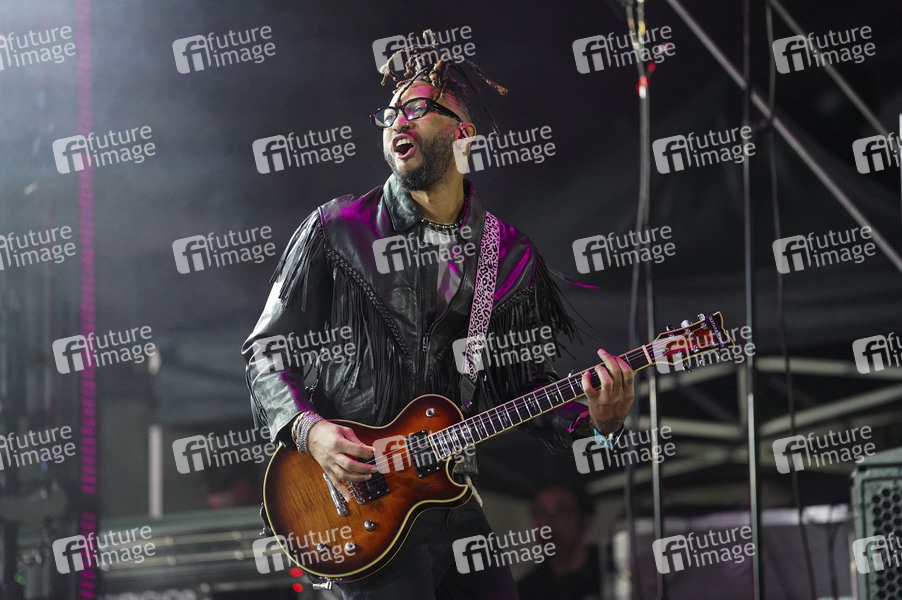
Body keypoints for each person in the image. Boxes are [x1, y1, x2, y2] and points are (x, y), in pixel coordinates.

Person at [242, 38, 634, 600]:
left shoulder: (507, 252)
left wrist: (594, 420)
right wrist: (311, 431)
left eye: (417, 109)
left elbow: (520, 383)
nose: (397, 122)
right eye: (389, 114)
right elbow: (266, 351)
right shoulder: (338, 228)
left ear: (463, 133)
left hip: (449, 497)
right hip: (361, 500)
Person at [518, 484, 603, 600]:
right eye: (539, 512)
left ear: (584, 519)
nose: (545, 522)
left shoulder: (612, 570)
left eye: (557, 511)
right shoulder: (527, 590)